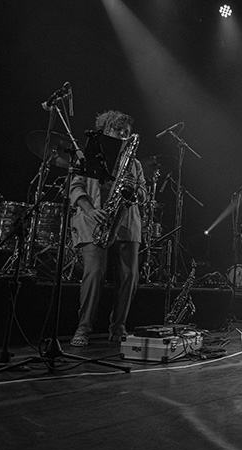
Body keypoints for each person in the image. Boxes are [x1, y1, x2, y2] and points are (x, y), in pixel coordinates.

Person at [69, 110, 147, 347]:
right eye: (118, 131)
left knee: (130, 277)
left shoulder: (134, 164)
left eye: (126, 132)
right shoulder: (88, 156)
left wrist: (135, 190)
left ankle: (118, 327)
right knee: (94, 274)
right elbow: (75, 187)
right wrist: (91, 210)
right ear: (105, 132)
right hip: (94, 223)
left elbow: (143, 194)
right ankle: (83, 329)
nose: (123, 135)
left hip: (126, 225)